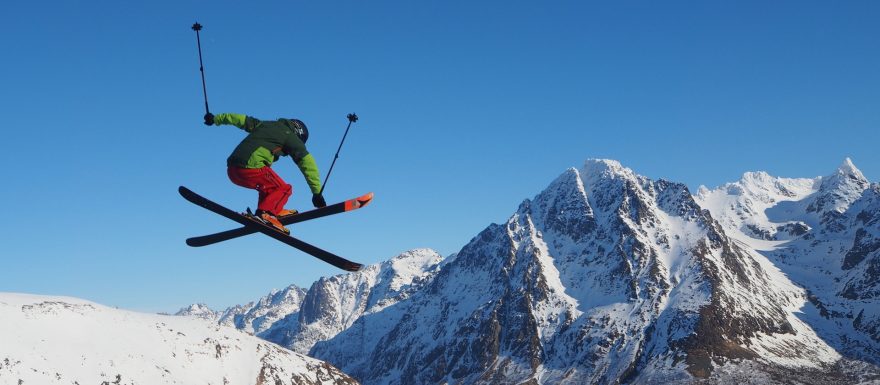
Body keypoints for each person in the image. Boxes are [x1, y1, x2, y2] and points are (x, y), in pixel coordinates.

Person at [204, 112, 326, 234]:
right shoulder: (290, 136)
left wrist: (215, 119)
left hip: (233, 170)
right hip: (250, 167)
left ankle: (273, 210)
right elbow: (307, 163)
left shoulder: (264, 124)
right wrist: (317, 193)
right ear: (298, 135)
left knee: (268, 187)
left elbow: (239, 119)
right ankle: (266, 214)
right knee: (283, 188)